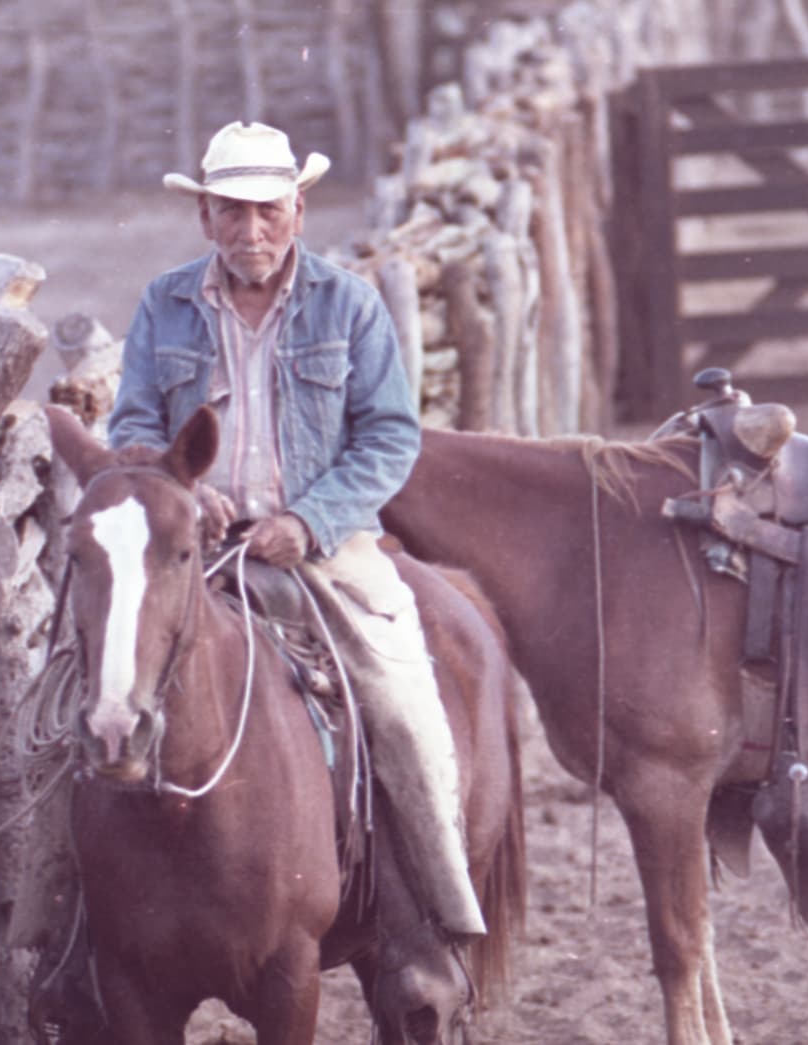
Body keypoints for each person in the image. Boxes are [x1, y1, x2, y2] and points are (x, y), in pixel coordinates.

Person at [108, 120, 486, 939]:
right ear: (205, 215)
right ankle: (61, 936)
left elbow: (390, 436)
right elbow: (132, 424)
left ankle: (437, 912)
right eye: (232, 211)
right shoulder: (165, 303)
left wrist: (309, 521)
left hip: (328, 547)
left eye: (268, 210)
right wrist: (181, 490)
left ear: (298, 210)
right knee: (90, 686)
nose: (252, 230)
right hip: (195, 547)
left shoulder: (348, 304)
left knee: (402, 702)